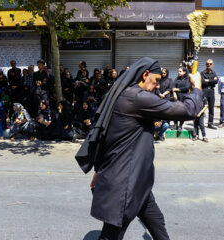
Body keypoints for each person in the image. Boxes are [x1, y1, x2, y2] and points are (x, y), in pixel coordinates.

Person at [75, 57, 203, 240]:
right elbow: (185, 111)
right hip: (125, 183)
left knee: (156, 221)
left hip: (136, 179)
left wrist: (99, 170)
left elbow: (107, 137)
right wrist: (196, 88)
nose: (158, 85)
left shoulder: (126, 94)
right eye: (157, 80)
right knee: (111, 234)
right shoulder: (137, 98)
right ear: (145, 75)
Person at [200, 59, 218, 129]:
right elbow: (202, 82)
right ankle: (200, 123)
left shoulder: (214, 72)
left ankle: (210, 123)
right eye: (207, 64)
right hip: (204, 90)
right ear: (205, 64)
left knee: (211, 107)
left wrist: (208, 80)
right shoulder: (202, 73)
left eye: (210, 64)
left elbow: (216, 81)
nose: (209, 65)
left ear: (212, 64)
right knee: (202, 107)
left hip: (211, 91)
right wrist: (212, 80)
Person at [172, 67, 191, 132]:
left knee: (182, 112)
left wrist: (177, 89)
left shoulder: (187, 79)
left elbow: (186, 87)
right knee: (175, 112)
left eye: (180, 71)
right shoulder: (176, 78)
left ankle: (180, 126)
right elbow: (173, 86)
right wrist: (174, 93)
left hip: (184, 97)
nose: (179, 72)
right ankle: (175, 125)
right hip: (176, 97)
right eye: (178, 71)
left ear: (184, 72)